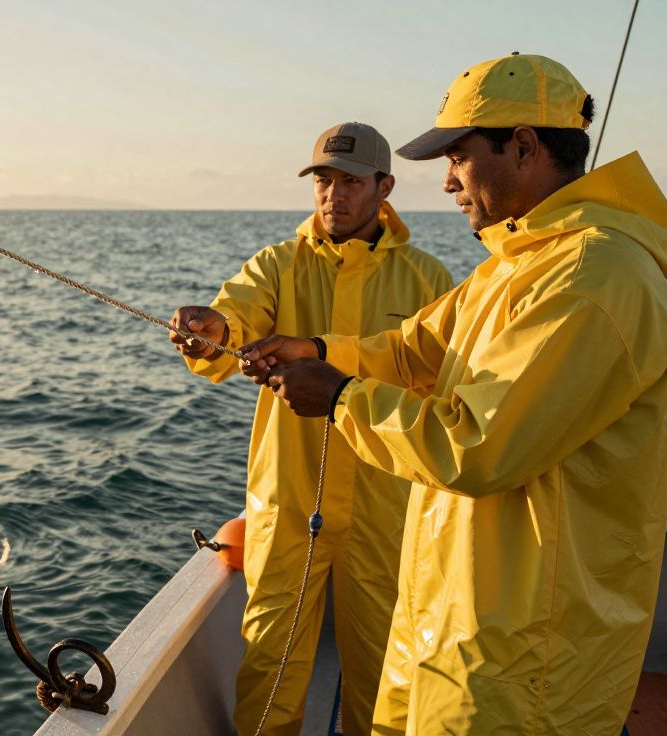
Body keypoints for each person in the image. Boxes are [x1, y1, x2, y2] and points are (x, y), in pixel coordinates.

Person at [241, 53, 667, 734]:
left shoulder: (594, 277)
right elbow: (410, 350)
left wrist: (337, 397)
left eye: (458, 157)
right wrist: (317, 352)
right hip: (454, 627)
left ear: (524, 146)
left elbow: (476, 445)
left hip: (525, 659)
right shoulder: (517, 266)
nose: (449, 181)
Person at [169, 122, 452, 735]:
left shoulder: (429, 280)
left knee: (384, 669)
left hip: (386, 509)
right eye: (323, 180)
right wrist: (214, 331)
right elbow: (235, 319)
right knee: (270, 663)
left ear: (385, 187)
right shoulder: (276, 264)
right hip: (288, 502)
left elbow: (446, 381)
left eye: (350, 181)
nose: (333, 196)